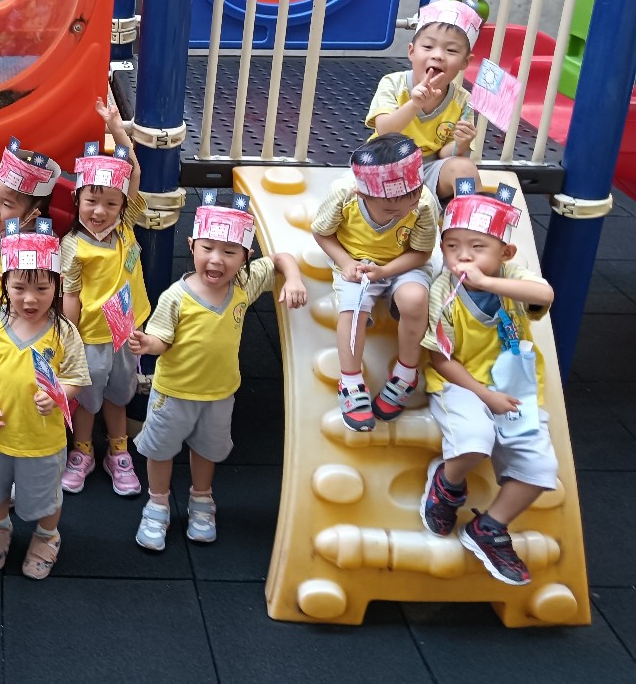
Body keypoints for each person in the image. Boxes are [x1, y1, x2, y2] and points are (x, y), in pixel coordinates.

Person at [129, 193, 306, 549]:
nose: (216, 259)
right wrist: (148, 344)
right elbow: (162, 339)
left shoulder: (244, 284)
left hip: (220, 393)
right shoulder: (176, 297)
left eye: (229, 252)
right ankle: (158, 503)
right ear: (192, 246)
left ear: (246, 257)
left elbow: (281, 258)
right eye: (207, 248)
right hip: (173, 393)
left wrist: (294, 279)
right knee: (160, 450)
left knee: (207, 449)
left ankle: (201, 499)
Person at [419, 180, 557, 586]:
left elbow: (545, 294)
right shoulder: (443, 290)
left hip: (516, 388)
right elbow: (441, 360)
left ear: (505, 253)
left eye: (477, 247)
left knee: (540, 468)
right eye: (451, 246)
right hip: (462, 385)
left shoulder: (512, 276)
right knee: (475, 440)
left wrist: (488, 283)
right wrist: (484, 396)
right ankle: (447, 484)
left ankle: (490, 527)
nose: (462, 256)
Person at [0, 218, 90, 579]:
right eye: (18, 288)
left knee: (45, 494)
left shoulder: (64, 332)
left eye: (42, 288)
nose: (30, 299)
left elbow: (77, 377)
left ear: (57, 285)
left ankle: (48, 535)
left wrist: (60, 394)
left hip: (41, 438)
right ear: (4, 283)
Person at [311, 134, 439, 430]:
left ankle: (406, 373)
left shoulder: (423, 203)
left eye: (411, 202)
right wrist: (346, 263)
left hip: (403, 264)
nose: (403, 213)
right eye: (392, 211)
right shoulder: (344, 194)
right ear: (362, 194)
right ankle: (350, 381)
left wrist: (385, 272)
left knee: (415, 299)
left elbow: (421, 253)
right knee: (353, 309)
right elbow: (322, 233)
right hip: (356, 263)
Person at [60, 98, 150, 497]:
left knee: (118, 393)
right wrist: (70, 337)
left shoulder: (125, 225)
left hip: (126, 332)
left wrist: (116, 129)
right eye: (91, 201)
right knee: (86, 397)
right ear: (77, 199)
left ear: (122, 206)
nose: (100, 211)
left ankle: (118, 450)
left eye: (111, 203)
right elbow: (71, 295)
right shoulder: (72, 246)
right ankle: (82, 450)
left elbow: (134, 171)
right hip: (91, 337)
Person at [366, 0, 482, 202]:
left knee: (465, 168)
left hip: (429, 170)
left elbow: (445, 154)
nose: (438, 55)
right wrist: (414, 104)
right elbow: (384, 131)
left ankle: (469, 216)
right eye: (428, 47)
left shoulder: (463, 100)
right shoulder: (393, 84)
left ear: (465, 62)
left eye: (451, 50)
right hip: (386, 165)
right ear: (411, 52)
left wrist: (461, 144)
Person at [0, 138, 61, 319]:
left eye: (7, 204)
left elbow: (53, 293)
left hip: (26, 321)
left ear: (34, 213)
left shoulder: (47, 242)